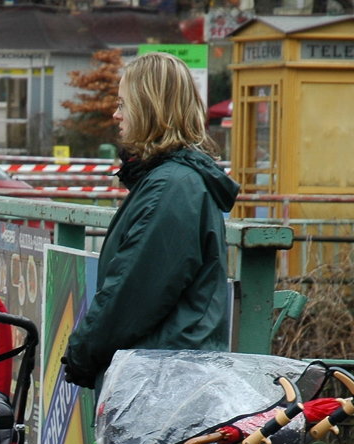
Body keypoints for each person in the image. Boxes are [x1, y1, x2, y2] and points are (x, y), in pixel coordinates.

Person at [62, 51, 239, 391]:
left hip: (160, 384)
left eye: (123, 104)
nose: (116, 114)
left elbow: (131, 293)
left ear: (149, 108)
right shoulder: (173, 182)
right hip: (168, 374)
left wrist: (81, 353)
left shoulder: (169, 188)